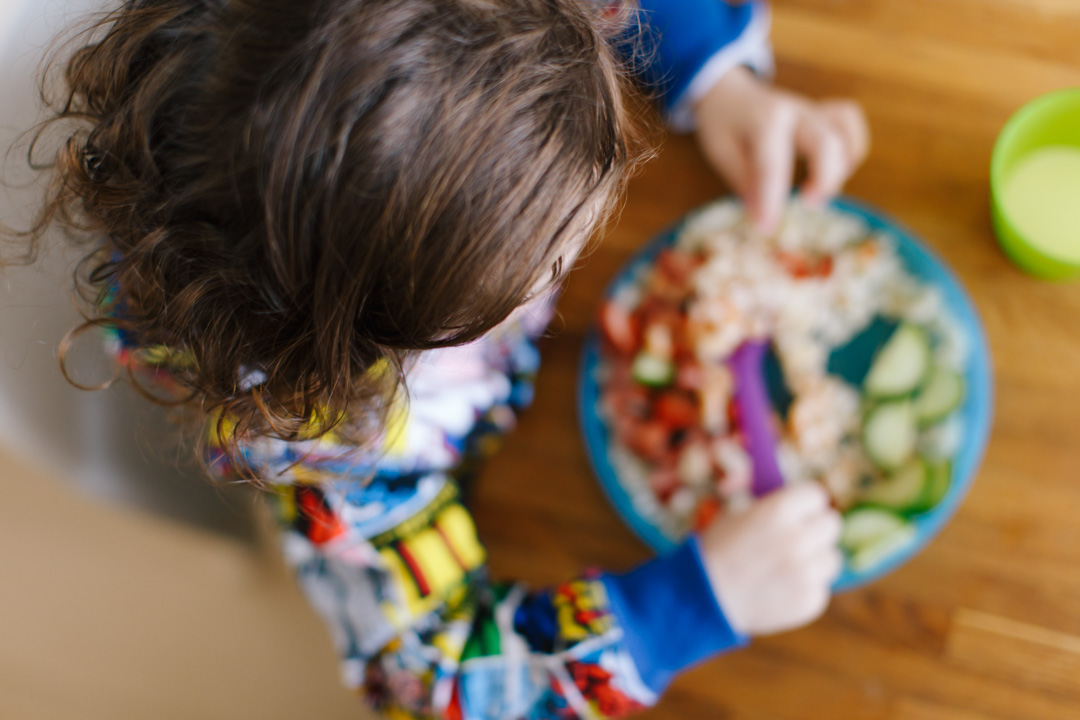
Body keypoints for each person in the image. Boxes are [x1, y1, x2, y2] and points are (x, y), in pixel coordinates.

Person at [23, 0, 868, 716]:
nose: (577, 251)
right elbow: (435, 678)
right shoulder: (329, 455)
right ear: (379, 338)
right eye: (550, 251)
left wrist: (713, 78)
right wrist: (684, 609)